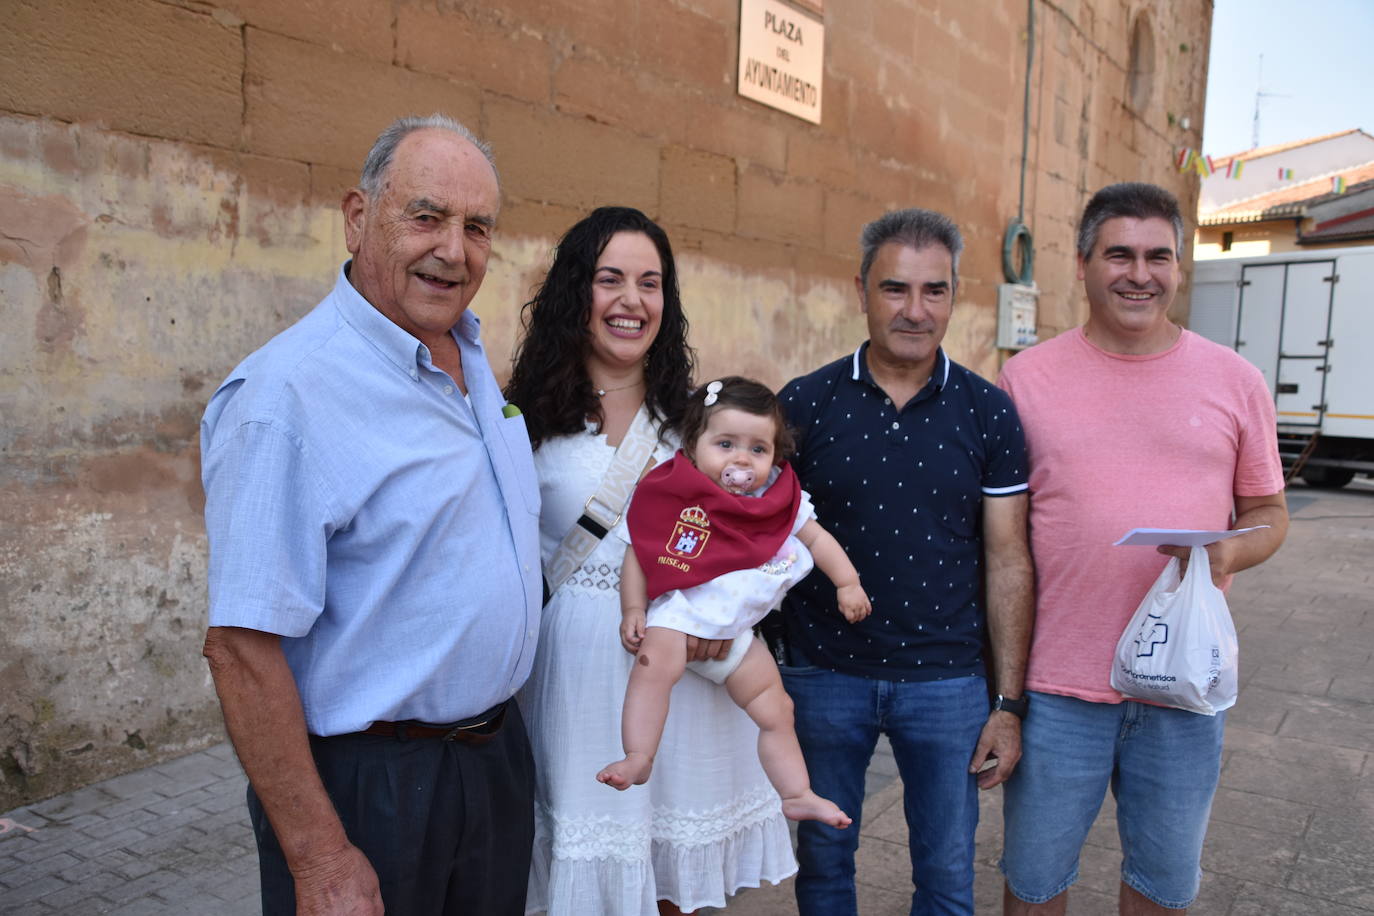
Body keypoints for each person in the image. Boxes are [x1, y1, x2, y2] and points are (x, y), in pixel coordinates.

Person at [200, 114, 542, 915]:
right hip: (372, 790)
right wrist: (320, 858)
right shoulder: (284, 398)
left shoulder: (470, 357)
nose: (453, 251)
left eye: (477, 228)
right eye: (425, 216)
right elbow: (242, 650)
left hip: (490, 766)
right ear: (358, 218)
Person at [997, 182, 1289, 915]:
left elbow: (1269, 513)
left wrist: (1228, 555)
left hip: (1184, 684)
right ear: (1084, 263)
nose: (1139, 273)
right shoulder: (1025, 381)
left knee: (1162, 887)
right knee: (1033, 884)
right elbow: (1001, 540)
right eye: (1119, 254)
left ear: (1179, 268)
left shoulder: (1236, 381)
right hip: (1058, 686)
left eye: (1159, 256)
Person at [505, 209, 796, 916]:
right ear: (577, 292)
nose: (632, 301)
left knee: (671, 883)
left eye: (650, 283)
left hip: (682, 668)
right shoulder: (521, 414)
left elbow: (762, 529)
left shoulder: (696, 422)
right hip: (574, 677)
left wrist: (734, 618)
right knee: (583, 871)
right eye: (611, 280)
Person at [776, 208, 1036, 916]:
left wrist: (1008, 704)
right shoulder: (803, 404)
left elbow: (1010, 560)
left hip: (948, 683)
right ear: (860, 290)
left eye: (935, 291)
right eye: (895, 289)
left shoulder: (989, 413)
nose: (915, 311)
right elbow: (764, 535)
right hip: (826, 675)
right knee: (824, 864)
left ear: (955, 295)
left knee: (949, 878)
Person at [597, 376, 867, 832]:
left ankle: (796, 792)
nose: (741, 459)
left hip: (736, 636)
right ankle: (639, 755)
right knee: (650, 669)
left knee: (776, 707)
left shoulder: (780, 500)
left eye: (758, 450)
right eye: (725, 443)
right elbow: (638, 551)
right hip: (678, 619)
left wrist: (848, 582)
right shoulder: (670, 491)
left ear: (775, 456)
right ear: (693, 442)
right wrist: (633, 609)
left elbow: (817, 539)